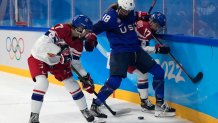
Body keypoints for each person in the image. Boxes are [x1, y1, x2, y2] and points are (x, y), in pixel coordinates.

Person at [90, 0, 176, 118]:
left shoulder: (130, 13)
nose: (126, 13)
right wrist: (90, 37)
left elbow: (136, 16)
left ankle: (159, 104)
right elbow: (93, 30)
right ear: (119, 7)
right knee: (115, 81)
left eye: (129, 11)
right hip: (120, 53)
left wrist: (143, 15)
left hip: (136, 51)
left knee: (159, 72)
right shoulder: (109, 17)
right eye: (124, 10)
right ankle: (96, 105)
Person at [28, 15, 98, 123]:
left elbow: (75, 63)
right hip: (40, 57)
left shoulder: (78, 44)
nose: (87, 33)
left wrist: (85, 77)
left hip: (58, 62)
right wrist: (60, 50)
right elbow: (41, 44)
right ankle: (34, 117)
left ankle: (85, 111)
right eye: (87, 30)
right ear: (79, 28)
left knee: (72, 83)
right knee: (42, 83)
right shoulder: (62, 29)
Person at [127, 11, 170, 112]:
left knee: (142, 74)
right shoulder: (146, 28)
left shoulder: (142, 23)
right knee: (159, 72)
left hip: (126, 55)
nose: (158, 28)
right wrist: (157, 49)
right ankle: (159, 104)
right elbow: (141, 50)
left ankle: (144, 102)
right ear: (152, 22)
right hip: (130, 55)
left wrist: (141, 16)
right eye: (158, 25)